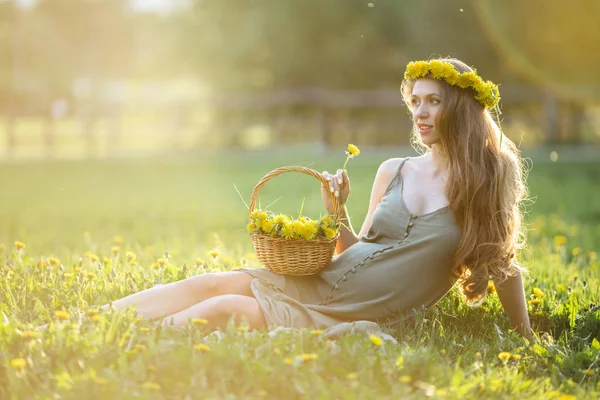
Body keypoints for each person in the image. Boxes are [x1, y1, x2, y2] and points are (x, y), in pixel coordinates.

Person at [99, 57, 531, 337]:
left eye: (433, 101)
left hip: (355, 313)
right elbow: (363, 251)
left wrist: (525, 335)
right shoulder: (394, 170)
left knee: (225, 306)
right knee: (213, 282)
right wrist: (337, 214)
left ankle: (125, 344)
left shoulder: (485, 180)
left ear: (459, 107)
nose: (419, 112)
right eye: (415, 101)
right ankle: (93, 323)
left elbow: (503, 265)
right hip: (320, 282)